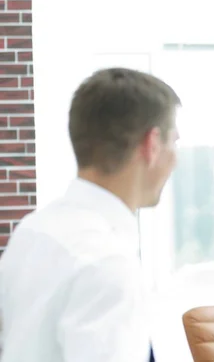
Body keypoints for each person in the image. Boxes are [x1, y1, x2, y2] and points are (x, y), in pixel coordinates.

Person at [0, 67, 180, 362]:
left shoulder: (32, 230)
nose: (176, 157)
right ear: (152, 145)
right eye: (174, 141)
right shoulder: (107, 265)